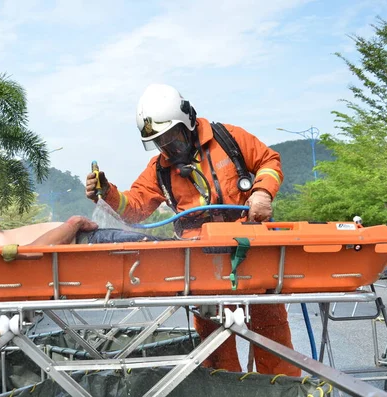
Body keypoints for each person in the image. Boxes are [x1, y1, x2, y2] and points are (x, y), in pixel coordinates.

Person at [84, 83, 299, 376]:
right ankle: (226, 391)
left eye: (170, 138)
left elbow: (269, 160)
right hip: (200, 261)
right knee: (214, 340)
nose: (167, 148)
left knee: (269, 328)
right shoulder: (160, 169)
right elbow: (135, 208)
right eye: (159, 142)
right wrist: (107, 191)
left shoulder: (228, 138)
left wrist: (262, 192)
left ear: (187, 122)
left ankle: (281, 391)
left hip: (251, 249)